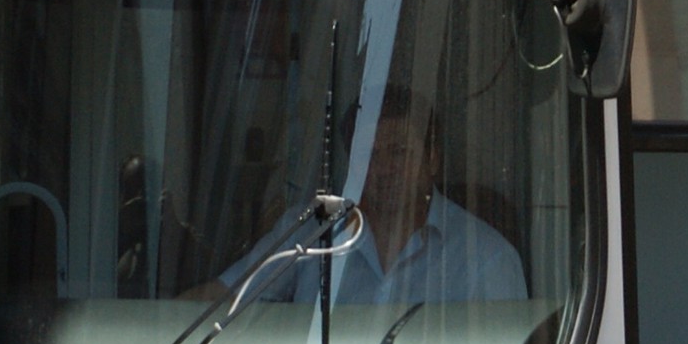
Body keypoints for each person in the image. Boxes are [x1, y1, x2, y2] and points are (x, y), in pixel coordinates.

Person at [214, 88, 526, 312]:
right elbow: (224, 298)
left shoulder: (487, 256)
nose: (384, 168)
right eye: (368, 154)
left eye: (398, 152)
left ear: (432, 159)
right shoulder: (314, 224)